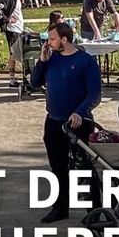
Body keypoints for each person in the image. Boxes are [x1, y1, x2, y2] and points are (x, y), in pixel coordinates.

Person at [31, 22, 102, 223]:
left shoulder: (85, 61)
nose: (49, 43)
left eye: (52, 39)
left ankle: (94, 211)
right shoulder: (50, 59)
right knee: (58, 166)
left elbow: (95, 93)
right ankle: (60, 207)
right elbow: (35, 83)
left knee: (85, 167)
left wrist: (80, 112)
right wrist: (42, 61)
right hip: (54, 120)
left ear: (64, 39)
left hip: (79, 122)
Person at [0, 0, 24, 87]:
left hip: (18, 29)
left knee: (16, 53)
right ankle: (12, 79)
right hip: (12, 30)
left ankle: (15, 78)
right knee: (13, 53)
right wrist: (7, 20)